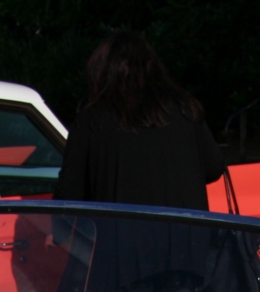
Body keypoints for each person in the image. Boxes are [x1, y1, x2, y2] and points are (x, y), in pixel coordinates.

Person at [55, 31, 224, 209]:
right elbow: (213, 168)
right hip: (186, 233)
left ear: (101, 73)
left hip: (119, 234)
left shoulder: (91, 121)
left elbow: (67, 194)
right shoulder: (185, 110)